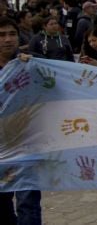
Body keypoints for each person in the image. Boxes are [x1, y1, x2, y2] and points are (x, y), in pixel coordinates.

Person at [0, 16, 42, 225]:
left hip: (27, 141)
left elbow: (53, 88)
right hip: (1, 144)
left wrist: (33, 69)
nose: (7, 39)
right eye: (1, 35)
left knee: (28, 203)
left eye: (12, 34)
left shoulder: (31, 62)